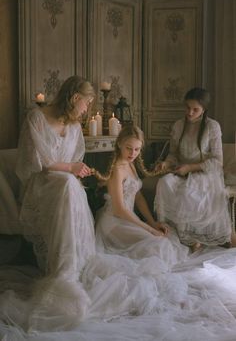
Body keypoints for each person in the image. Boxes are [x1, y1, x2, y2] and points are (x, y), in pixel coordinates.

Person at [15, 75, 96, 330]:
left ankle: (69, 269)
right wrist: (70, 168)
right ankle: (62, 270)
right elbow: (36, 164)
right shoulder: (36, 118)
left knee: (70, 184)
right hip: (41, 185)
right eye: (85, 103)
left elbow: (73, 162)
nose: (86, 109)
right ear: (74, 98)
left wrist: (77, 169)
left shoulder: (73, 126)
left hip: (66, 186)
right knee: (66, 183)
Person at [92, 125, 189, 268]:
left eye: (137, 149)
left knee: (165, 240)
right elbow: (119, 209)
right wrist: (149, 229)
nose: (133, 153)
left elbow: (137, 196)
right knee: (157, 245)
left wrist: (152, 222)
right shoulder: (117, 170)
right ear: (119, 144)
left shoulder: (130, 164)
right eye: (129, 148)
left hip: (128, 220)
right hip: (114, 222)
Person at [154, 87, 232, 252]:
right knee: (164, 182)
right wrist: (166, 164)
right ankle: (178, 234)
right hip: (181, 170)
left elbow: (218, 161)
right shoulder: (178, 125)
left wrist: (191, 167)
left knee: (189, 191)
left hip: (205, 173)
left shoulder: (212, 127)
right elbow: (173, 154)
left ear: (203, 109)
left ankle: (194, 237)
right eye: (187, 107)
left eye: (195, 109)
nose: (190, 112)